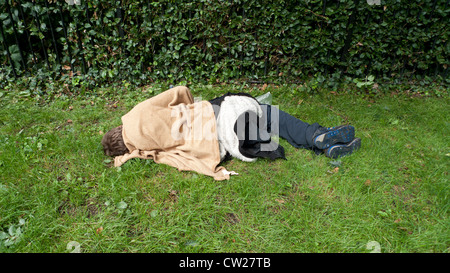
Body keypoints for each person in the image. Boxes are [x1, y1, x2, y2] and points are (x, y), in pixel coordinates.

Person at [101, 86, 361, 179]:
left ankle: (320, 144)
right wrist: (190, 104)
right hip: (215, 114)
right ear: (117, 129)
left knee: (259, 122)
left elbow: (172, 159)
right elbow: (177, 92)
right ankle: (316, 137)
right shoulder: (134, 115)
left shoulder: (144, 150)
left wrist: (126, 157)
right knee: (265, 113)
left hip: (219, 142)